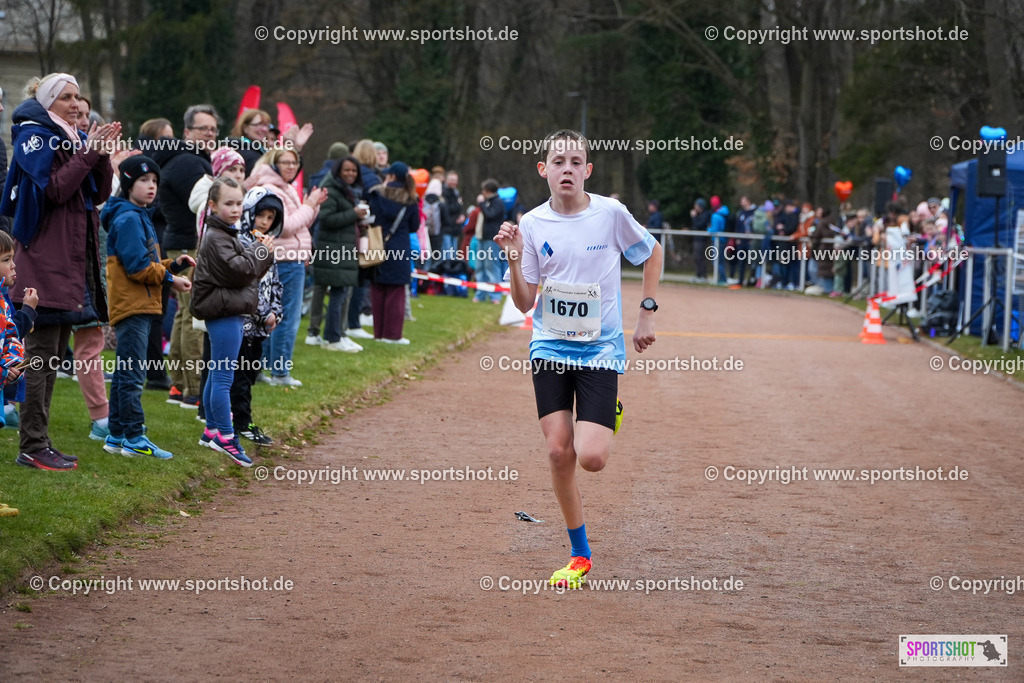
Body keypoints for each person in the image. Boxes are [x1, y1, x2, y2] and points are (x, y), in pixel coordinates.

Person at [495, 129, 662, 589]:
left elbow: (653, 253)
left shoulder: (610, 213)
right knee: (557, 450)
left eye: (575, 162)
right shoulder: (531, 223)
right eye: (558, 161)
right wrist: (513, 259)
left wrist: (647, 313)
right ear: (542, 169)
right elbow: (526, 303)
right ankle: (579, 553)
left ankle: (606, 414)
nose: (566, 169)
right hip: (549, 345)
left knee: (591, 458)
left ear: (587, 170)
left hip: (600, 349)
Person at [1, 73, 121, 471]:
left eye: (78, 96)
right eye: (66, 97)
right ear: (48, 101)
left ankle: (40, 441)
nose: (75, 103)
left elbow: (98, 193)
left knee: (53, 359)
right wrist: (89, 154)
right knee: (39, 359)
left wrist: (100, 153)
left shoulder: (73, 137)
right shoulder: (34, 135)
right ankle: (32, 445)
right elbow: (53, 190)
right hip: (44, 264)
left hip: (71, 265)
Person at [101, 155, 194, 459]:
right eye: (143, 180)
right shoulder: (128, 218)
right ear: (128, 185)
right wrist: (170, 279)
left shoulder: (138, 215)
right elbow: (138, 268)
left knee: (126, 372)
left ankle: (115, 435)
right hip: (133, 306)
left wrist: (173, 266)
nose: (151, 186)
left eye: (154, 180)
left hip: (139, 304)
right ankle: (134, 437)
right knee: (131, 375)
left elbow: (148, 264)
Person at [191, 178, 274, 465]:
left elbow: (244, 270)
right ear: (212, 206)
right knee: (224, 377)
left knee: (217, 374)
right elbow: (241, 271)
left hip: (227, 311)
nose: (235, 209)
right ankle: (226, 437)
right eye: (229, 204)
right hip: (224, 313)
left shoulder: (226, 233)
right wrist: (262, 250)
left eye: (239, 203)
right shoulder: (217, 237)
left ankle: (212, 430)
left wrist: (256, 252)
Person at [156, 104, 219, 408]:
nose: (210, 134)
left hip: (177, 241)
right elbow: (204, 205)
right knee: (195, 315)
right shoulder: (189, 163)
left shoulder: (184, 159)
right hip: (188, 245)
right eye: (203, 128)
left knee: (184, 313)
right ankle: (193, 388)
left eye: (213, 129)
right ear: (187, 132)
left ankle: (180, 385)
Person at [245, 148, 326, 386]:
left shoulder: (286, 187)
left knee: (274, 316)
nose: (291, 166)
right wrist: (309, 205)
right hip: (283, 258)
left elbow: (301, 224)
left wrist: (314, 206)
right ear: (273, 163)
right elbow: (285, 227)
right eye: (285, 162)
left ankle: (263, 369)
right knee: (285, 318)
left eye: (294, 162)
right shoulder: (271, 188)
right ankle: (280, 372)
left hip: (293, 256)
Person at [233, 187, 284, 445]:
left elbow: (274, 282)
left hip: (261, 326)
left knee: (251, 373)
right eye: (260, 215)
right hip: (243, 323)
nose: (264, 222)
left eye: (270, 218)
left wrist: (276, 311)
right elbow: (248, 282)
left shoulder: (267, 243)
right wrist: (265, 313)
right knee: (240, 376)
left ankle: (238, 418)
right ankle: (243, 422)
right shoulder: (241, 243)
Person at [313, 156, 367, 352]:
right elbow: (325, 219)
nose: (351, 174)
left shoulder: (348, 191)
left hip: (344, 248)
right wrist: (353, 214)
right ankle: (333, 337)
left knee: (342, 293)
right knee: (337, 294)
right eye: (347, 170)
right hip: (333, 250)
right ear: (338, 171)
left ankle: (340, 334)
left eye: (354, 171)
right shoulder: (331, 190)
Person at [366, 162, 419, 344]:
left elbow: (370, 219)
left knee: (378, 289)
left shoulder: (376, 194)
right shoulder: (411, 199)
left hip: (377, 244)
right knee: (396, 292)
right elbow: (414, 226)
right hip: (399, 247)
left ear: (393, 176)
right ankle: (393, 335)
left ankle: (379, 334)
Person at [474, 179, 506, 304]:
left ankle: (495, 296)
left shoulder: (498, 202)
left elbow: (490, 215)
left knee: (492, 267)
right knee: (480, 267)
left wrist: (481, 204)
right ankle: (480, 294)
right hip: (482, 238)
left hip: (491, 239)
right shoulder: (487, 202)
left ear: (487, 191)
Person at [690, 198, 710, 281]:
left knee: (700, 257)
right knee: (697, 257)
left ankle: (702, 275)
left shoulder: (705, 214)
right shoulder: (699, 215)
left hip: (701, 239)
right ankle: (698, 275)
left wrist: (693, 217)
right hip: (697, 239)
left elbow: (699, 225)